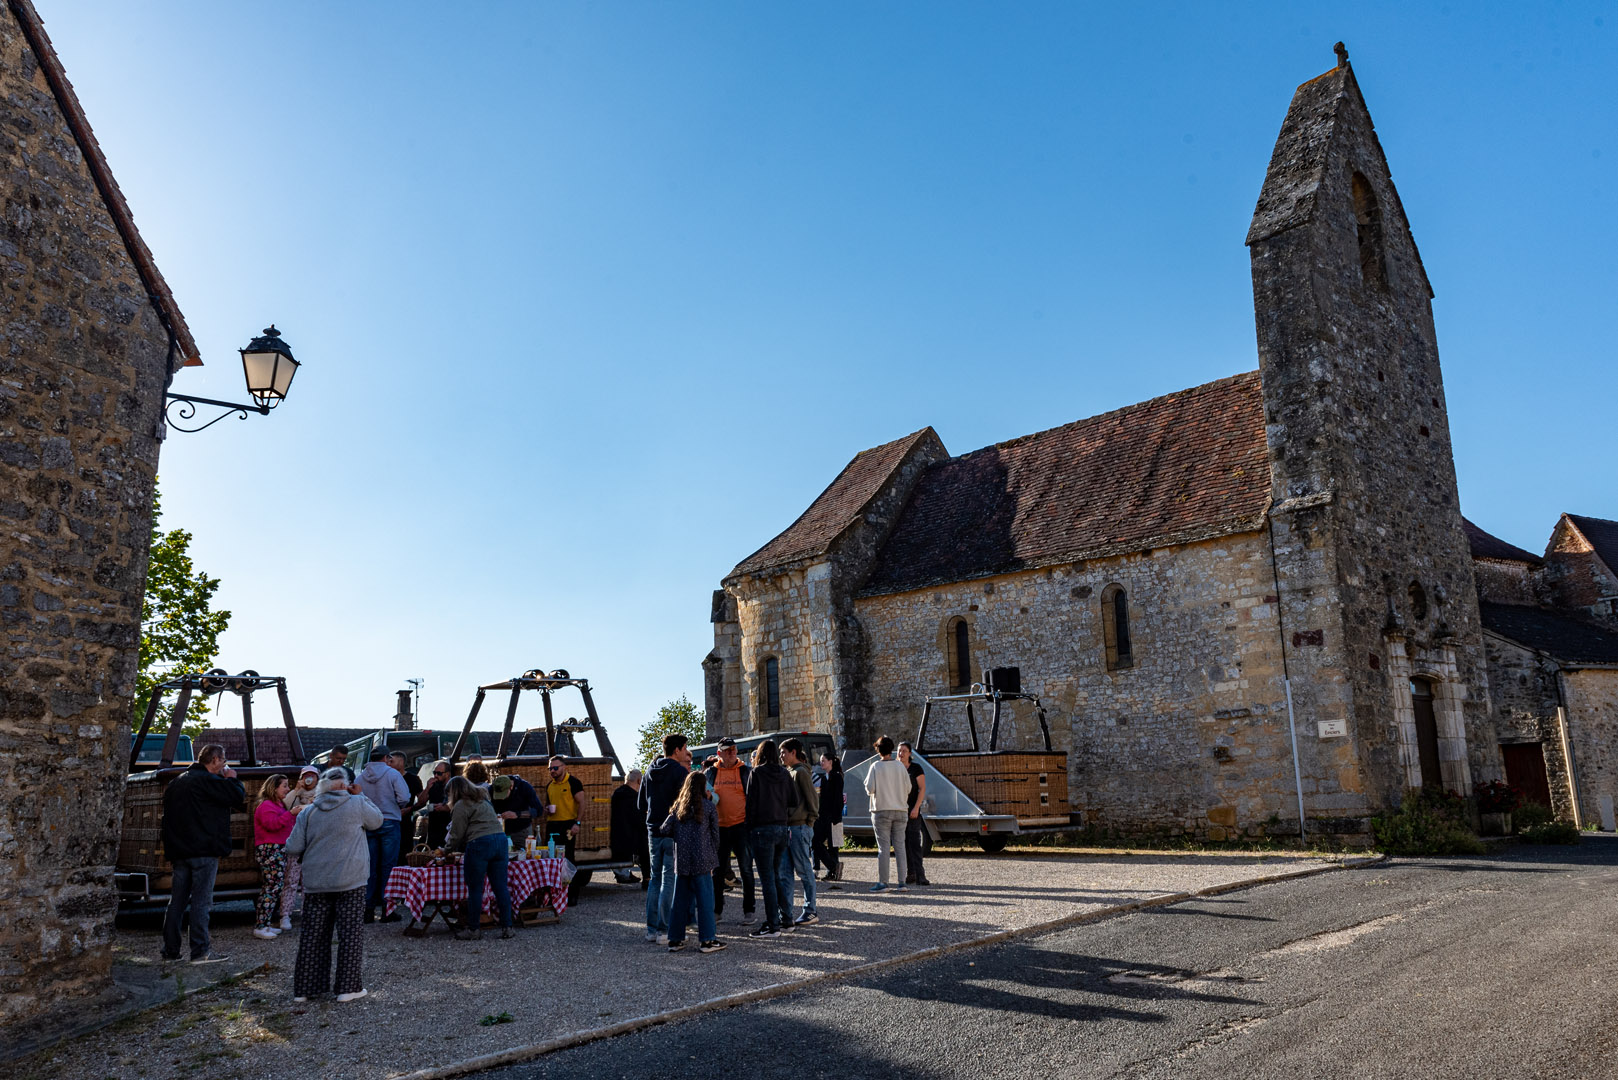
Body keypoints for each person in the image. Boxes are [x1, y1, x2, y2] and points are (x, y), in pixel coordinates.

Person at [285, 767, 382, 1002]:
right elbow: (377, 821)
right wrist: (361, 795)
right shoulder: (357, 804)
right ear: (344, 785)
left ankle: (306, 989)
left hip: (316, 881)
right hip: (350, 879)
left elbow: (293, 847)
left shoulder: (308, 813)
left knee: (313, 936)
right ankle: (347, 989)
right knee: (350, 935)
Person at [160, 743, 244, 964]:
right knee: (201, 901)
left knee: (176, 902)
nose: (225, 764)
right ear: (214, 760)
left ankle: (170, 951)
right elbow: (236, 797)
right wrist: (232, 778)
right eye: (223, 760)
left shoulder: (176, 783)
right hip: (204, 849)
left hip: (179, 850)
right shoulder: (209, 781)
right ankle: (200, 951)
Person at [659, 771, 726, 953]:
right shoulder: (708, 807)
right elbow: (715, 836)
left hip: (682, 861)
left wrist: (679, 836)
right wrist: (713, 855)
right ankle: (707, 940)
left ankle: (675, 939)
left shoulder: (678, 808)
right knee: (705, 901)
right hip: (703, 860)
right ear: (703, 787)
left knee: (679, 901)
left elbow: (664, 829)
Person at [444, 775, 513, 940]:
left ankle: (474, 929)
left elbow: (456, 834)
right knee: (500, 887)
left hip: (480, 843)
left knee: (475, 889)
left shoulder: (461, 805)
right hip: (500, 841)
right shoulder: (483, 800)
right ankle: (507, 927)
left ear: (454, 792)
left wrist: (446, 850)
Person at [638, 734, 691, 943]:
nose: (686, 751)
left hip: (652, 830)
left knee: (654, 879)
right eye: (685, 748)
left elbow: (641, 804)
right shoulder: (679, 772)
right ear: (676, 750)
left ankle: (651, 929)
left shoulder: (649, 770)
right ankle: (664, 929)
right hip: (672, 831)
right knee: (669, 880)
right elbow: (684, 804)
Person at [744, 739, 798, 937]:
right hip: (781, 827)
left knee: (767, 879)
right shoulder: (784, 773)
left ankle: (772, 924)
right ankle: (787, 919)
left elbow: (750, 803)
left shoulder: (756, 773)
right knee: (775, 876)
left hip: (762, 828)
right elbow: (794, 800)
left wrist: (748, 829)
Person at [358, 750, 411, 923]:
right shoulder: (392, 774)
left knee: (370, 866)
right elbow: (404, 797)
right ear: (386, 758)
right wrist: (395, 804)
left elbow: (356, 797)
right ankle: (388, 910)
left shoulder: (360, 777)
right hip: (389, 820)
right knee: (388, 866)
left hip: (369, 822)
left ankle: (368, 908)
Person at [704, 738, 753, 922]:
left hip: (741, 826)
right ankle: (717, 910)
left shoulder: (745, 771)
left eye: (734, 749)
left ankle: (749, 910)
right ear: (719, 753)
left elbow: (752, 797)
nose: (732, 752)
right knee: (717, 872)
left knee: (746, 870)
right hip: (719, 828)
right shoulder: (711, 772)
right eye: (727, 750)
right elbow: (704, 796)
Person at [252, 774, 299, 940]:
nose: (287, 789)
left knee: (274, 887)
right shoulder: (266, 805)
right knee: (271, 887)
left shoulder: (277, 805)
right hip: (270, 849)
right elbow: (272, 825)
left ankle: (264, 924)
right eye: (284, 786)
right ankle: (261, 926)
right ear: (274, 787)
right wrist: (291, 813)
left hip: (277, 848)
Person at [780, 738, 819, 926]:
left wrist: (809, 822)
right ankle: (785, 913)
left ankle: (810, 910)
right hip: (789, 827)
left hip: (800, 827)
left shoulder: (801, 772)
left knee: (804, 870)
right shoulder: (790, 772)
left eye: (784, 752)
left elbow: (812, 800)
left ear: (793, 752)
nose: (781, 756)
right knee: (785, 872)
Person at [865, 736, 909, 892]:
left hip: (881, 810)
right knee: (900, 847)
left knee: (883, 847)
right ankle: (902, 882)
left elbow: (870, 788)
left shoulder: (875, 766)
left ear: (878, 750)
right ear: (892, 749)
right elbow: (908, 788)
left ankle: (883, 882)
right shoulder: (900, 767)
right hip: (901, 810)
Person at [280, 765, 322, 927]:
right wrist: (296, 790)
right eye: (306, 776)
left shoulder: (321, 795)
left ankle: (308, 914)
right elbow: (285, 805)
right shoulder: (295, 794)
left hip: (313, 843)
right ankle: (285, 915)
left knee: (309, 882)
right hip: (296, 841)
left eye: (312, 776)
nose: (309, 779)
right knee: (291, 881)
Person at [897, 741, 932, 886]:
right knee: (902, 844)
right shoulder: (895, 768)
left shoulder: (916, 768)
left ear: (910, 753)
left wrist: (916, 807)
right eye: (899, 750)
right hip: (898, 809)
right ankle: (910, 873)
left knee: (915, 843)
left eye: (904, 751)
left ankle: (920, 874)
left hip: (912, 810)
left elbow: (922, 789)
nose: (901, 753)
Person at [610, 769, 650, 885]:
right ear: (639, 781)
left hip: (616, 837)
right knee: (646, 840)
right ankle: (647, 878)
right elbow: (640, 821)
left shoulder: (617, 793)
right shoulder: (634, 798)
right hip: (630, 839)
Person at [541, 755, 586, 860]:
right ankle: (553, 876)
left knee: (567, 856)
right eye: (550, 768)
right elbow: (548, 804)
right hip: (552, 824)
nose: (552, 771)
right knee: (550, 855)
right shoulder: (549, 786)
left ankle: (569, 877)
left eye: (555, 768)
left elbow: (582, 803)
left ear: (564, 767)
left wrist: (577, 823)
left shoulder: (573, 782)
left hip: (568, 824)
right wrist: (547, 809)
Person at [813, 753, 844, 885]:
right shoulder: (824, 778)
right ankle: (833, 866)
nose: (821, 763)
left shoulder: (836, 776)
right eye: (821, 761)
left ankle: (832, 871)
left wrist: (836, 816)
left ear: (830, 762)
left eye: (823, 761)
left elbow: (838, 798)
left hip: (833, 816)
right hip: (823, 815)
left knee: (833, 845)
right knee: (815, 842)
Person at [490, 772, 542, 846]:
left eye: (504, 794)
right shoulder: (492, 788)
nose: (502, 798)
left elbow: (538, 810)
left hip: (521, 831)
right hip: (498, 832)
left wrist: (517, 814)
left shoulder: (524, 787)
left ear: (511, 787)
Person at [420, 760, 455, 850]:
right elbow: (421, 802)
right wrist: (427, 788)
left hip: (448, 826)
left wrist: (444, 808)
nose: (435, 776)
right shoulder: (434, 786)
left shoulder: (454, 786)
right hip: (434, 827)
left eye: (439, 773)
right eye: (434, 772)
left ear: (447, 774)